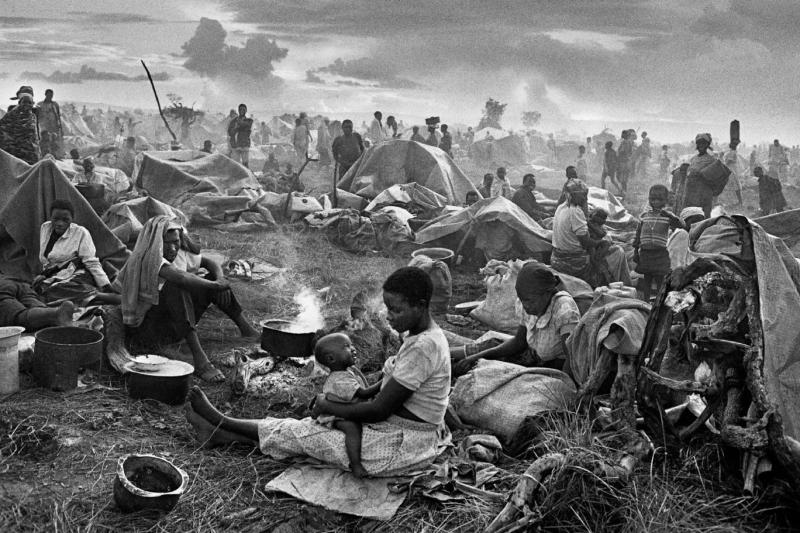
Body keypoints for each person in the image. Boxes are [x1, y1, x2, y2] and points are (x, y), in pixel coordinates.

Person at [184, 267, 451, 478]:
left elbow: (379, 410)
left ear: (421, 304)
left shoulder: (424, 347)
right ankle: (221, 433)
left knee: (309, 434)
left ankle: (221, 421)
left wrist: (328, 405)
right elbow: (384, 390)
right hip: (397, 428)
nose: (389, 316)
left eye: (396, 309)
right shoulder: (419, 337)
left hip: (402, 444)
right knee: (309, 430)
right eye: (387, 308)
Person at [115, 216, 259, 383]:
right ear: (156, 243)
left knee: (210, 277)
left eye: (176, 241)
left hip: (173, 325)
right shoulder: (148, 258)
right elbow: (180, 277)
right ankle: (201, 361)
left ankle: (246, 329)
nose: (173, 247)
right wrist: (217, 286)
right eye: (167, 243)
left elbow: (209, 262)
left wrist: (219, 279)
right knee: (177, 286)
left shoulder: (175, 254)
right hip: (148, 331)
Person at [452, 262, 580, 376]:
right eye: (523, 300)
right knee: (491, 348)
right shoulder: (526, 305)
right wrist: (476, 357)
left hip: (554, 369)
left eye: (530, 301)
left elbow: (572, 359)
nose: (526, 306)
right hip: (533, 357)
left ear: (547, 293)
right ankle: (448, 357)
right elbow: (519, 342)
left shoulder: (564, 310)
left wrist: (562, 388)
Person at [313, 333, 381, 478]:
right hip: (337, 415)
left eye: (351, 345)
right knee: (352, 428)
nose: (353, 349)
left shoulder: (347, 372)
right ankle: (355, 464)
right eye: (347, 347)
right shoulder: (339, 379)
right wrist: (385, 380)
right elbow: (363, 393)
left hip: (347, 408)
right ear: (331, 359)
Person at [551, 179, 631, 287]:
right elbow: (585, 242)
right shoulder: (575, 211)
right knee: (618, 251)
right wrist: (600, 243)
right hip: (574, 262)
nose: (585, 198)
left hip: (557, 258)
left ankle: (621, 283)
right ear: (573, 195)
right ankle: (617, 285)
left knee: (605, 248)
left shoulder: (561, 207)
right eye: (583, 195)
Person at [34, 199, 116, 305]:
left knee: (57, 289)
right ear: (51, 217)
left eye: (65, 220)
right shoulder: (45, 228)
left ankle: (110, 298)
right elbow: (46, 261)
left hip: (77, 274)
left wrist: (105, 285)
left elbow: (91, 262)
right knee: (39, 289)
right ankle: (87, 300)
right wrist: (43, 275)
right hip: (52, 276)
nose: (59, 223)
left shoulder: (81, 233)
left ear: (72, 219)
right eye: (56, 219)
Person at [633, 185, 685, 301]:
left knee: (660, 279)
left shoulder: (667, 217)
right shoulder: (644, 216)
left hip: (660, 253)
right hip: (646, 252)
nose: (655, 202)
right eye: (652, 199)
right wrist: (636, 251)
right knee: (647, 278)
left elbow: (681, 226)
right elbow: (638, 235)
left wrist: (669, 216)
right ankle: (646, 301)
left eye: (659, 200)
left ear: (665, 201)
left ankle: (659, 302)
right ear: (649, 200)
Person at [0, 275, 74, 330]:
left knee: (14, 315)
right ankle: (53, 315)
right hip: (20, 283)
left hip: (3, 285)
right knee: (32, 301)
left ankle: (54, 314)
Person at [679, 133, 719, 217]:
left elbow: (715, 177)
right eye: (699, 143)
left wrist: (701, 175)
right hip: (691, 192)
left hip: (704, 192)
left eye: (703, 143)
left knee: (704, 215)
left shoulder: (712, 160)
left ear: (707, 145)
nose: (701, 145)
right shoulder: (693, 159)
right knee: (690, 214)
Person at [0, 86, 40, 164]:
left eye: (29, 102)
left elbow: (35, 134)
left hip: (31, 152)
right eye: (24, 102)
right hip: (16, 151)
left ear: (32, 104)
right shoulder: (12, 113)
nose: (27, 105)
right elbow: (3, 127)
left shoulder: (33, 115)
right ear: (19, 102)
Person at [36, 89, 63, 158]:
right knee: (44, 141)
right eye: (49, 95)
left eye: (51, 95)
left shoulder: (55, 104)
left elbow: (58, 116)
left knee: (54, 142)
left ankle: (54, 155)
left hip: (53, 126)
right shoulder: (40, 104)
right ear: (45, 94)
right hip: (43, 126)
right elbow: (37, 116)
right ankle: (43, 155)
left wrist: (60, 127)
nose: (50, 96)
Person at [227, 104, 253, 168]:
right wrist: (237, 127)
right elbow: (230, 132)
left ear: (246, 111)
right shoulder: (233, 121)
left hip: (244, 144)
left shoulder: (249, 120)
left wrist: (238, 126)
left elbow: (247, 127)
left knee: (245, 164)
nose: (242, 111)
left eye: (243, 109)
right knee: (235, 165)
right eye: (240, 109)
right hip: (235, 145)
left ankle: (248, 177)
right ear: (238, 110)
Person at [722, 141, 744, 205]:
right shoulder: (733, 152)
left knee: (735, 186)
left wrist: (725, 164)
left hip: (731, 170)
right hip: (732, 170)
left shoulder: (732, 153)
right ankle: (739, 201)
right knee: (735, 186)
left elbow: (729, 161)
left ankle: (740, 201)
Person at [617, 130, 633, 194]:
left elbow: (622, 151)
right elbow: (630, 152)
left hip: (623, 161)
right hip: (626, 161)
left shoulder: (625, 142)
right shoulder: (629, 142)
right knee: (624, 178)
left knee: (621, 177)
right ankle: (623, 191)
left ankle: (622, 192)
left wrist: (618, 155)